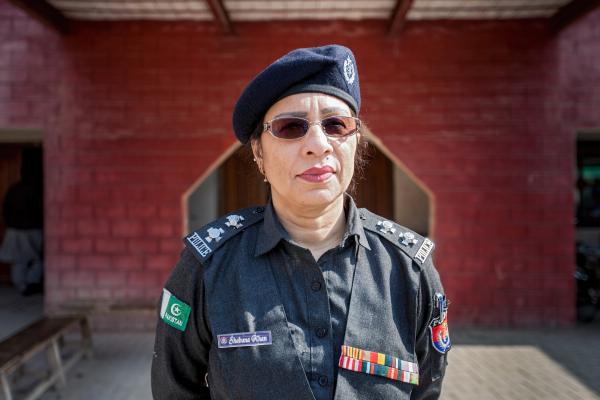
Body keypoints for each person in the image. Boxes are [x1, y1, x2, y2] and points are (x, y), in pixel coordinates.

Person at [151, 44, 450, 399]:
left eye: (336, 124)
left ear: (356, 142)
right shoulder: (207, 268)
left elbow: (428, 389)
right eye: (291, 127)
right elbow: (174, 389)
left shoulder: (409, 271)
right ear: (259, 154)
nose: (318, 144)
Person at [0, 149, 44, 296]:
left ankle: (23, 285)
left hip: (15, 229)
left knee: (19, 261)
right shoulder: (37, 189)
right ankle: (30, 283)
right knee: (39, 259)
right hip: (32, 229)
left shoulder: (14, 189)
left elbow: (6, 208)